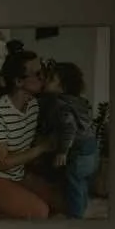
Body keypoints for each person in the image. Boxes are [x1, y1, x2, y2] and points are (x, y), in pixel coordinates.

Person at [0, 45, 59, 218]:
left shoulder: (32, 105)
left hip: (15, 174)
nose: (43, 78)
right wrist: (40, 148)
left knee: (59, 200)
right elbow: (2, 163)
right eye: (38, 74)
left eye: (43, 72)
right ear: (18, 82)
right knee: (40, 211)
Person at [41, 61, 101, 219]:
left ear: (63, 87)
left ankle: (75, 218)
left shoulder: (61, 104)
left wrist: (62, 152)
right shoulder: (79, 102)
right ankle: (82, 207)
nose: (46, 80)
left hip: (80, 152)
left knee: (74, 183)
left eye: (51, 78)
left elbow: (69, 128)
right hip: (92, 151)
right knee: (82, 183)